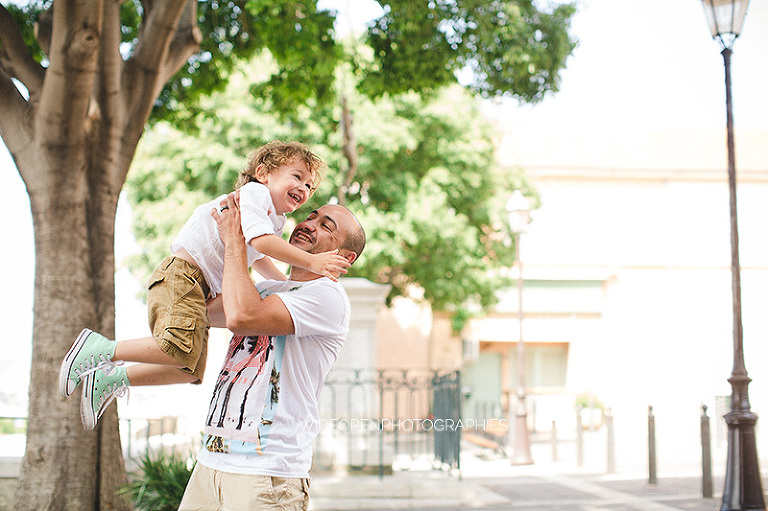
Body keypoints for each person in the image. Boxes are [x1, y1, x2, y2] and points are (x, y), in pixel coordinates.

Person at [59, 141, 351, 430]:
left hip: (202, 288)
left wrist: (288, 286)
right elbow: (260, 243)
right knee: (175, 347)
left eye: (309, 185)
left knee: (189, 369)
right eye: (297, 177)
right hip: (184, 274)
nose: (304, 188)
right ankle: (101, 348)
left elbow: (260, 257)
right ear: (263, 173)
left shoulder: (276, 220)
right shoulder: (255, 194)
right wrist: (311, 263)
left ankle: (112, 379)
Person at [177, 194, 365, 511]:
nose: (308, 223)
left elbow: (240, 317)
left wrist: (237, 241)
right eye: (311, 216)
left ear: (344, 257)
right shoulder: (267, 290)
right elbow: (203, 315)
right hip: (212, 461)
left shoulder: (327, 296)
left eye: (325, 226)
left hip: (267, 473)